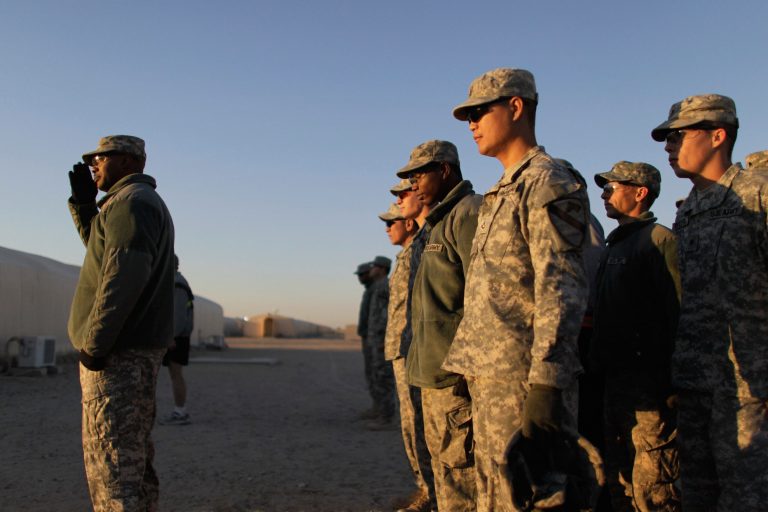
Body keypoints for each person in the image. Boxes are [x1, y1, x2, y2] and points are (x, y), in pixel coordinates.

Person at [443, 68, 590, 511]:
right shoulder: (501, 190)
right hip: (492, 377)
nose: (471, 123)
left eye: (479, 111)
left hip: (525, 379)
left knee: (529, 498)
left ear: (516, 106)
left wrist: (547, 381)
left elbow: (560, 285)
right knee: (495, 494)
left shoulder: (548, 181)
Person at [652, 94, 768, 511]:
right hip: (696, 381)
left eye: (677, 136)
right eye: (666, 139)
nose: (668, 147)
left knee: (747, 497)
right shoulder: (690, 211)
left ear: (718, 135)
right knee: (697, 494)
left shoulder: (758, 196)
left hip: (748, 389)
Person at [67, 135, 175, 511]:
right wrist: (84, 206)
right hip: (126, 351)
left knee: (113, 468)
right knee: (129, 461)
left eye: (100, 157)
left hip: (119, 354)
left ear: (128, 161)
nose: (93, 165)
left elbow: (122, 277)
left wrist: (95, 346)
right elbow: (102, 254)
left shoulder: (133, 204)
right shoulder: (128, 204)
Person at [397, 139, 482, 511]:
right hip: (432, 372)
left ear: (445, 170)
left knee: (462, 474)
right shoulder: (438, 222)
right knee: (446, 473)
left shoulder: (469, 214)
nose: (412, 183)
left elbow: (481, 297)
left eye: (419, 173)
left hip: (453, 374)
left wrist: (466, 366)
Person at [591, 161, 681, 511]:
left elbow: (677, 311)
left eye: (613, 187)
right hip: (617, 383)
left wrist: (668, 385)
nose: (604, 194)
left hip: (651, 388)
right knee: (621, 483)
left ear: (640, 192)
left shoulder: (658, 241)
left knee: (655, 486)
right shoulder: (615, 246)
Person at [380, 201, 434, 511]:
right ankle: (424, 489)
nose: (387, 228)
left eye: (392, 222)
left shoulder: (421, 250)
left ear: (409, 224)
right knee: (410, 424)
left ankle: (431, 493)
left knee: (420, 424)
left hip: (414, 348)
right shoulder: (405, 256)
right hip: (401, 348)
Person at [159, 255, 195, 426]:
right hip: (173, 336)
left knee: (176, 374)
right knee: (174, 374)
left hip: (176, 338)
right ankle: (179, 411)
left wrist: (171, 336)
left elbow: (179, 315)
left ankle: (180, 412)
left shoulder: (177, 284)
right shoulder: (174, 282)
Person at [365, 255, 396, 429]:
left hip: (382, 341)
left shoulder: (386, 285)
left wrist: (386, 338)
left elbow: (392, 313)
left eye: (375, 266)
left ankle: (387, 417)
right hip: (375, 340)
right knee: (377, 377)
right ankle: (380, 412)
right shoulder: (378, 286)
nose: (372, 269)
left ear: (382, 268)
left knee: (384, 378)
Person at [354, 260, 377, 419]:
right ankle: (377, 407)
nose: (360, 278)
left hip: (374, 338)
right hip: (368, 338)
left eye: (363, 275)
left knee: (379, 375)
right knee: (371, 374)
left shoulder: (378, 289)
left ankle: (384, 412)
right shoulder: (369, 290)